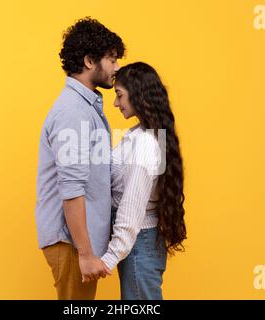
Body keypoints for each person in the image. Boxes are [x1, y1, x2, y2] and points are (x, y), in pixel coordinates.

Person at [35, 17, 125, 300]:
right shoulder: (73, 111)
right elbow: (72, 187)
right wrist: (85, 253)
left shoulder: (86, 107)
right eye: (112, 59)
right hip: (72, 244)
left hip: (77, 242)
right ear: (89, 61)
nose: (117, 67)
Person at [99, 62, 187, 300]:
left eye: (119, 95)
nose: (116, 103)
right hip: (139, 244)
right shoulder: (139, 134)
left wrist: (110, 257)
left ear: (137, 94)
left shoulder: (147, 143)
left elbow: (132, 206)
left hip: (138, 244)